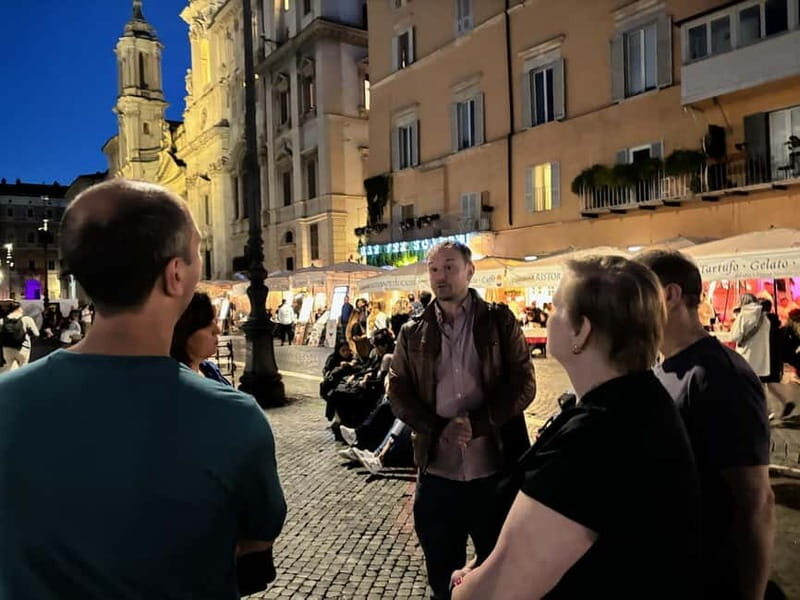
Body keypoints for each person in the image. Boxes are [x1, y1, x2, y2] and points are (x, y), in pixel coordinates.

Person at [0, 179, 286, 599]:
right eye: (198, 252)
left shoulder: (6, 402)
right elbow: (257, 540)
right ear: (175, 275)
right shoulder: (233, 418)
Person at [451, 255, 701, 599]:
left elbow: (498, 591)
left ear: (581, 331)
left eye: (555, 307)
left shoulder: (596, 439)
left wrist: (464, 588)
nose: (548, 316)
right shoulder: (639, 401)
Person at [388, 241, 535, 600]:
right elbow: (397, 391)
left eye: (450, 267)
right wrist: (438, 427)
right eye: (434, 270)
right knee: (441, 574)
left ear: (470, 271)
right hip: (438, 476)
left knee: (498, 574)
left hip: (494, 473)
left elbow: (524, 383)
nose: (441, 277)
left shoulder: (499, 321)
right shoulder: (413, 332)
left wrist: (479, 423)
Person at [637, 250, 774, 599]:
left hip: (710, 579)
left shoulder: (720, 375)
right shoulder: (660, 368)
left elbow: (756, 502)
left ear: (669, 295)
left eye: (636, 294)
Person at [171, 291, 227, 383]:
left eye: (215, 321)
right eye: (207, 324)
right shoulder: (175, 382)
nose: (217, 330)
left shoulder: (210, 370)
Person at [731, 293, 771, 378]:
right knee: (760, 385)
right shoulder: (764, 317)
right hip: (762, 360)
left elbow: (734, 336)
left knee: (747, 384)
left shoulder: (743, 315)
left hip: (747, 356)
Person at [0, 301, 40, 372]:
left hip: (7, 348)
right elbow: (36, 334)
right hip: (23, 347)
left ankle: (12, 382)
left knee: (11, 369)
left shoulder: (2, 320)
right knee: (24, 368)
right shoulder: (26, 319)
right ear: (18, 309)